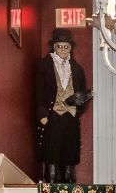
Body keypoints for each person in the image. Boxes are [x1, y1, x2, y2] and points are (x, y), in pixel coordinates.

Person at [35, 28, 90, 183]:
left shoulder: (77, 69)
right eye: (60, 46)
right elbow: (39, 90)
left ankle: (69, 177)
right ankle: (51, 177)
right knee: (52, 146)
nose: (63, 50)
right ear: (54, 46)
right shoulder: (45, 64)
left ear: (71, 48)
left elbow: (83, 91)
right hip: (53, 112)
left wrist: (77, 110)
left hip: (70, 113)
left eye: (66, 47)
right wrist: (42, 112)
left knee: (69, 146)